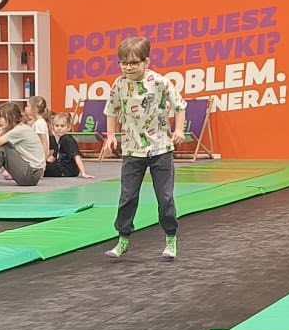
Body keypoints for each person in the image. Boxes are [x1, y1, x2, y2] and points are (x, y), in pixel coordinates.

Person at [102, 35, 185, 259]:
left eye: (133, 63)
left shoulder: (160, 82)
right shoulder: (119, 84)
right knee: (127, 197)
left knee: (165, 197)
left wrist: (179, 129)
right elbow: (111, 111)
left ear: (146, 61)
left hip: (161, 149)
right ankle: (123, 240)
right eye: (123, 63)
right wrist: (111, 136)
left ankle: (170, 239)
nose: (128, 67)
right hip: (132, 150)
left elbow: (179, 105)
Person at [46, 110, 89, 180]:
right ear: (53, 127)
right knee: (42, 166)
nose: (59, 128)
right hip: (61, 167)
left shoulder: (67, 140)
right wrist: (43, 163)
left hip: (66, 170)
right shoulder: (60, 140)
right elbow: (53, 157)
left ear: (68, 128)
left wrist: (83, 172)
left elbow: (76, 156)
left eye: (62, 126)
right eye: (57, 126)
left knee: (41, 168)